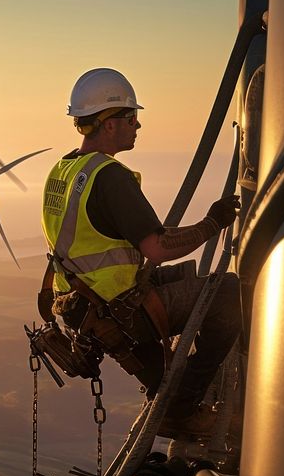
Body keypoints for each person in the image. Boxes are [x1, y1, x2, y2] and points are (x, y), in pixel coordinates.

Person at [40, 67, 241, 438]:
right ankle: (180, 410)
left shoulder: (63, 171)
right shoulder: (109, 176)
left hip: (85, 309)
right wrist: (213, 223)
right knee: (229, 294)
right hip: (118, 310)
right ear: (109, 123)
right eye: (132, 117)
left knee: (187, 278)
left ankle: (172, 394)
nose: (137, 125)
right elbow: (158, 247)